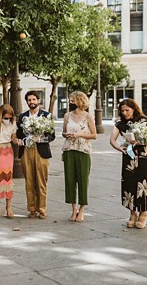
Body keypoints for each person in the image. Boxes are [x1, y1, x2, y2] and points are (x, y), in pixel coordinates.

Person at [111, 98, 147, 229]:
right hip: (129, 157)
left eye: (127, 110)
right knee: (129, 183)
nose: (125, 113)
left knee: (144, 183)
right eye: (122, 111)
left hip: (144, 156)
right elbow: (112, 140)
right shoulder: (120, 124)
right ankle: (132, 213)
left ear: (134, 109)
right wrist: (119, 148)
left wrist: (140, 141)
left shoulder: (145, 121)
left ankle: (143, 214)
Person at [15, 91, 54, 219]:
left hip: (41, 150)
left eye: (33, 99)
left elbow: (51, 135)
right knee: (29, 181)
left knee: (41, 181)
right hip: (26, 150)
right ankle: (31, 209)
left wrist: (41, 139)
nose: (31, 102)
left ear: (38, 100)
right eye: (29, 100)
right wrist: (18, 140)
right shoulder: (22, 117)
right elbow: (19, 134)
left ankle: (42, 209)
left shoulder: (46, 115)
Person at [61, 91, 96, 222]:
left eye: (72, 100)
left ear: (80, 101)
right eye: (70, 99)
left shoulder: (88, 117)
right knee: (69, 180)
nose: (70, 102)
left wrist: (79, 135)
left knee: (83, 180)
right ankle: (73, 209)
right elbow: (64, 132)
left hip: (83, 150)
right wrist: (67, 135)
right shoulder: (67, 116)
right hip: (69, 149)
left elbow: (94, 135)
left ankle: (82, 210)